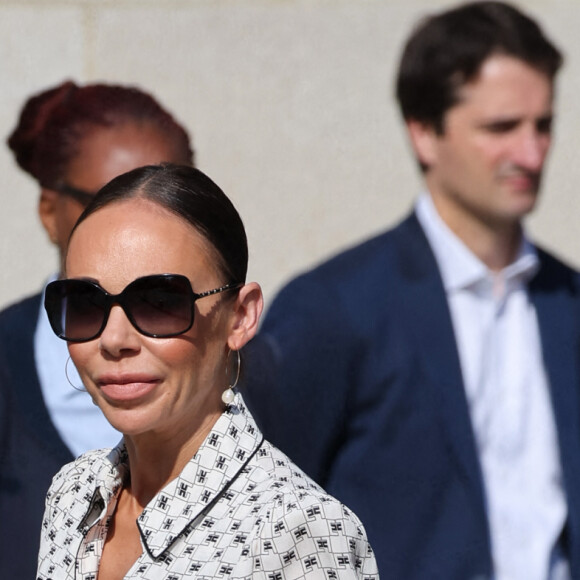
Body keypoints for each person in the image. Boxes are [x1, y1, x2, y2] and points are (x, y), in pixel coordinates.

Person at [243, 2, 580, 579]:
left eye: (543, 125)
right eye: (502, 128)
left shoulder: (568, 303)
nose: (532, 153)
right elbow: (258, 519)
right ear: (424, 133)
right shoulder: (336, 307)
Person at [36, 163, 379, 579]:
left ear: (240, 317)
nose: (113, 339)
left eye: (159, 302)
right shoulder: (73, 494)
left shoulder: (295, 530)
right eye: (86, 303)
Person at [0, 80, 194, 579]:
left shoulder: (252, 372)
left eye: (174, 203)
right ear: (50, 211)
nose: (140, 231)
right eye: (108, 203)